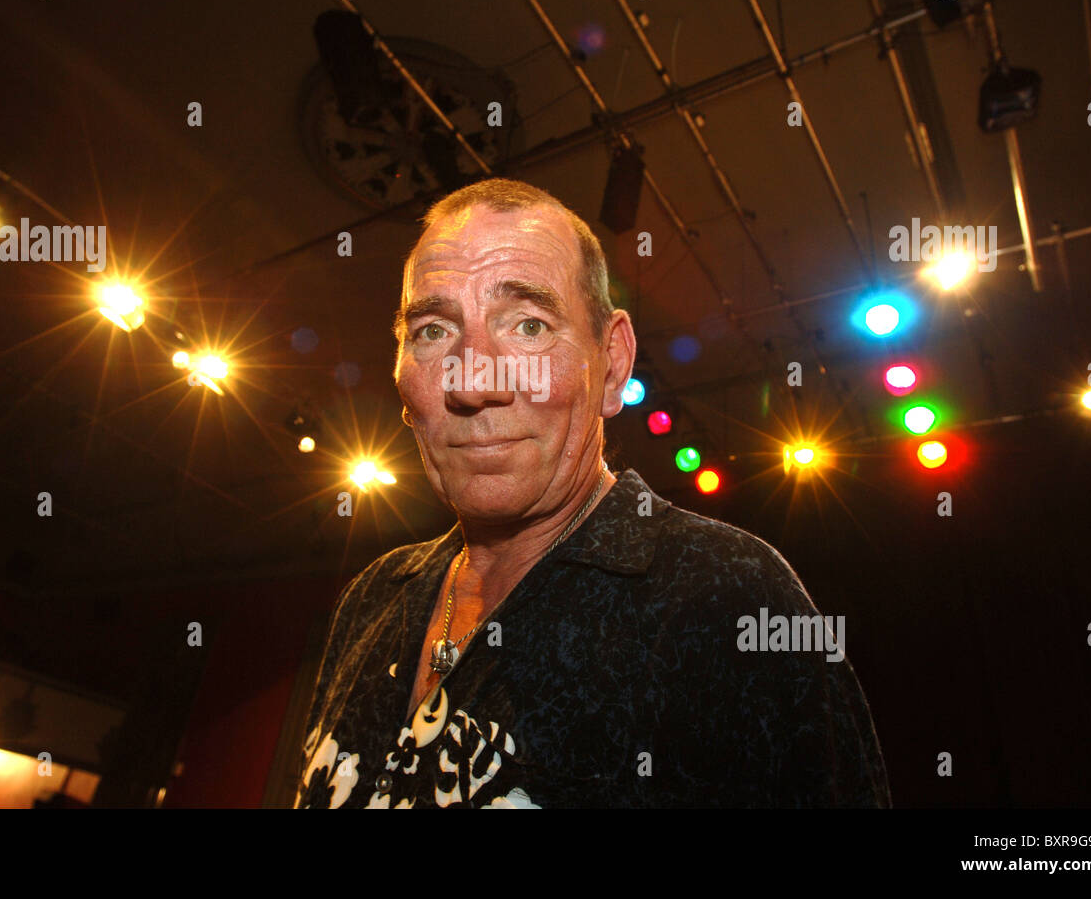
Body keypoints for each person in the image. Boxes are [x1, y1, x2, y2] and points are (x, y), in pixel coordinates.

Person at [292, 178, 891, 808]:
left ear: (612, 363)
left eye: (528, 325)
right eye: (434, 331)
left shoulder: (724, 596)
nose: (472, 384)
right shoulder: (371, 600)